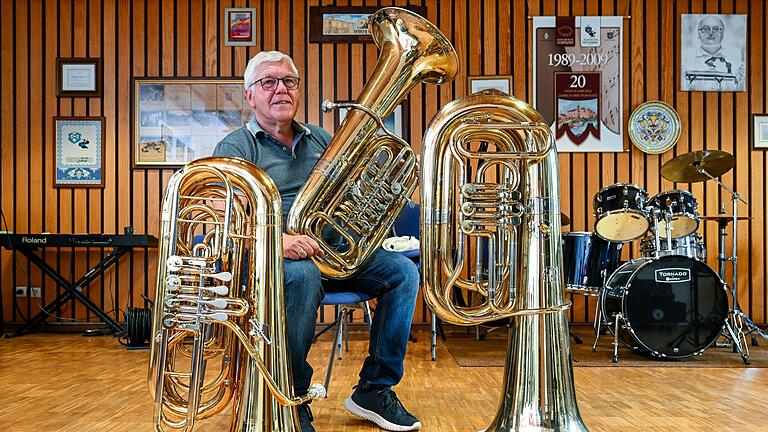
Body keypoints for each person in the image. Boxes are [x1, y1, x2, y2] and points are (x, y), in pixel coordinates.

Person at [212, 51, 421, 432]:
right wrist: (280, 242)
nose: (281, 89)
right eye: (268, 82)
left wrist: (375, 192)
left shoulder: (321, 139)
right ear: (250, 96)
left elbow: (350, 194)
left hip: (335, 253)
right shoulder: (237, 149)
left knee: (404, 273)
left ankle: (374, 389)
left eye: (289, 81)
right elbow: (224, 217)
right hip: (276, 261)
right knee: (304, 275)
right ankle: (290, 397)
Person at [683, 15, 745, 91]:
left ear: (723, 33)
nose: (710, 33)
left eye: (716, 29)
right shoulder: (686, 57)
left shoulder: (736, 57)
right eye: (705, 29)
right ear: (698, 34)